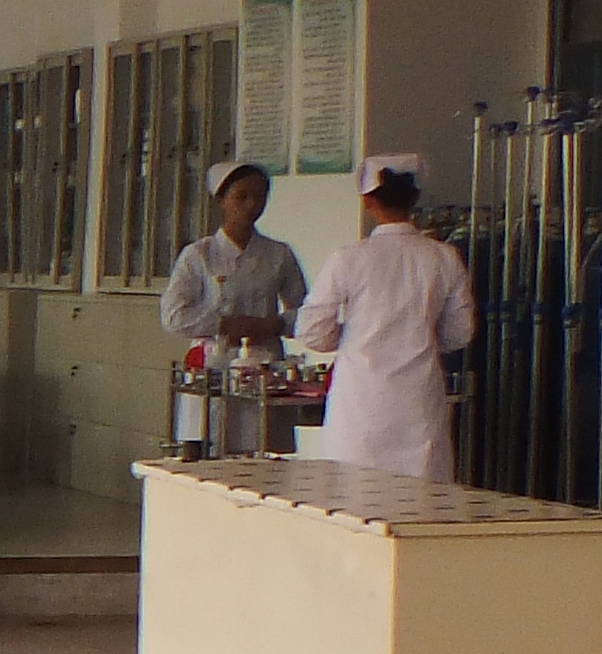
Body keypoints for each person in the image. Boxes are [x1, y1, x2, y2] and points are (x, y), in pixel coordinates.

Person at [296, 165, 476, 480]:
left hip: (360, 399)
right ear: (414, 198)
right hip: (417, 399)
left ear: (367, 201)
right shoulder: (444, 257)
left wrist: (351, 337)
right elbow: (460, 332)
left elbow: (312, 331)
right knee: (422, 495)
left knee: (354, 491)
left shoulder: (349, 258)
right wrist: (420, 338)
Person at [160, 161, 308, 458]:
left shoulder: (278, 254)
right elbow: (174, 316)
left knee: (261, 452)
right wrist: (224, 324)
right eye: (242, 196)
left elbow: (306, 312)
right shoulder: (199, 255)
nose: (252, 205)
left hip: (263, 366)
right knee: (210, 447)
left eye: (260, 196)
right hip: (215, 366)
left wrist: (275, 324)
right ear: (221, 200)